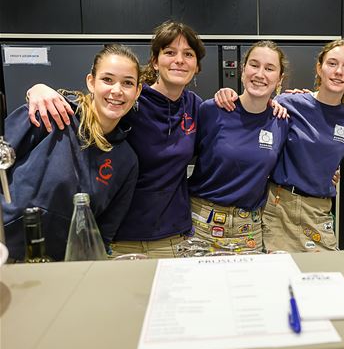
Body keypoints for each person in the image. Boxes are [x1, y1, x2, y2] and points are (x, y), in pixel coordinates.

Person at [26, 20, 206, 258]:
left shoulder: (195, 106)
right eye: (169, 52)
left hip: (173, 235)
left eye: (188, 54)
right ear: (155, 60)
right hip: (121, 236)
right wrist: (37, 89)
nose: (179, 60)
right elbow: (87, 107)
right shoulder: (130, 101)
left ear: (197, 66)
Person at [3, 44, 141, 261]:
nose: (117, 90)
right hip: (6, 254)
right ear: (91, 82)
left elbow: (102, 235)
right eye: (107, 79)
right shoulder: (50, 113)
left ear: (137, 91)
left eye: (127, 83)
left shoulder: (127, 160)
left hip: (62, 270)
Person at [257, 39, 344, 253]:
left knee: (325, 277)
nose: (339, 72)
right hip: (279, 207)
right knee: (279, 279)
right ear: (319, 68)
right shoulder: (288, 103)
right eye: (332, 64)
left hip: (318, 212)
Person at [188, 41, 289, 252]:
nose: (260, 74)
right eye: (254, 65)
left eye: (269, 69)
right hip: (202, 223)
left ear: (279, 79)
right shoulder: (212, 110)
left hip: (249, 228)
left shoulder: (281, 121)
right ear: (243, 70)